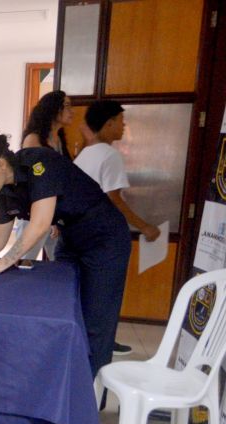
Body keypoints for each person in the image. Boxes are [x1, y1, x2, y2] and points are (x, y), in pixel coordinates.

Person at [0, 125, 131, 378]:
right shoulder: (6, 194)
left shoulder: (40, 163)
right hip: (70, 239)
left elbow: (39, 225)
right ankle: (64, 383)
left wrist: (1, 264)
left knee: (95, 322)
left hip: (105, 238)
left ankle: (90, 399)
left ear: (2, 165)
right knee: (66, 312)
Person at [75, 100, 159, 357]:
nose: (124, 127)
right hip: (104, 240)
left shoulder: (85, 153)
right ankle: (99, 359)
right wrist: (144, 226)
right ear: (108, 123)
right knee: (105, 302)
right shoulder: (110, 155)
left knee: (86, 300)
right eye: (121, 121)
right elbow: (114, 199)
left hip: (83, 236)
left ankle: (86, 351)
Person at [17, 90, 75, 260]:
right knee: (23, 261)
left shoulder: (58, 140)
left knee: (59, 264)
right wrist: (49, 219)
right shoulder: (33, 140)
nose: (72, 111)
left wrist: (55, 218)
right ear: (53, 109)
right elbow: (32, 182)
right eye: (67, 106)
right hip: (34, 215)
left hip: (54, 216)